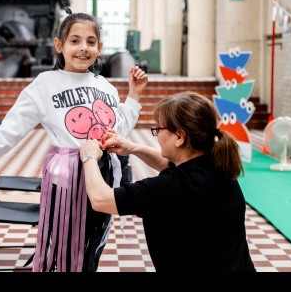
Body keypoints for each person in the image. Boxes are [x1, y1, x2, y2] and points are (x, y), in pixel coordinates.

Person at [0, 8, 148, 272]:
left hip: (101, 176)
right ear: (59, 45)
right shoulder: (44, 85)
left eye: (90, 42)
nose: (83, 48)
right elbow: (9, 131)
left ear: (100, 47)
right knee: (66, 252)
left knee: (92, 247)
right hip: (68, 178)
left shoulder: (105, 86)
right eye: (75, 40)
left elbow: (120, 130)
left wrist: (134, 95)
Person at [79, 91, 256, 272]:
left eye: (159, 129)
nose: (156, 134)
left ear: (179, 137)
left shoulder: (171, 187)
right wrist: (133, 148)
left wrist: (89, 157)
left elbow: (101, 199)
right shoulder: (217, 163)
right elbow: (168, 163)